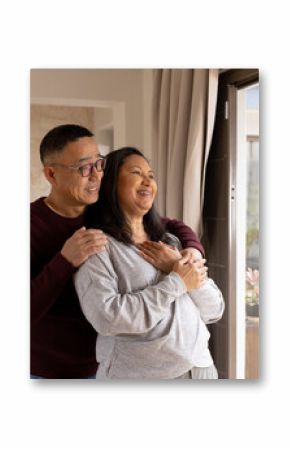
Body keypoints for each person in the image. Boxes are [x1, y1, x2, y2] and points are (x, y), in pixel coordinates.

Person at [31, 125, 205, 379]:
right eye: (84, 168)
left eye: (99, 163)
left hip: (106, 366)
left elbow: (166, 223)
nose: (96, 176)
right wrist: (64, 261)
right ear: (51, 174)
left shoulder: (100, 209)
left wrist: (192, 249)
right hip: (47, 371)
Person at [74, 147, 225, 379]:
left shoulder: (170, 241)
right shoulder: (96, 246)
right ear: (111, 183)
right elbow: (107, 317)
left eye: (151, 175)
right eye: (137, 173)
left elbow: (214, 309)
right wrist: (176, 281)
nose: (147, 181)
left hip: (201, 368)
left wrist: (182, 269)